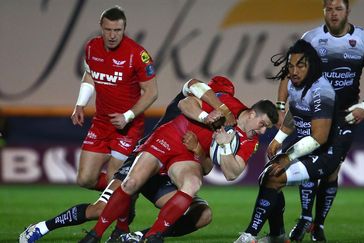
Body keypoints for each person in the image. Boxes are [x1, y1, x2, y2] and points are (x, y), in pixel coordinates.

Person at [19, 77, 237, 243]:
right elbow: (193, 83)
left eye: (227, 101)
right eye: (219, 98)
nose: (221, 104)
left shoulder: (218, 129)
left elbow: (206, 168)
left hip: (166, 176)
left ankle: (137, 236)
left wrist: (198, 148)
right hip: (144, 159)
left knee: (201, 214)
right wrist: (218, 108)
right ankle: (42, 227)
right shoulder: (191, 101)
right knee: (101, 210)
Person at [79, 81, 279, 242]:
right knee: (130, 183)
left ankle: (152, 236)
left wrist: (224, 147)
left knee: (193, 184)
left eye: (266, 128)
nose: (262, 131)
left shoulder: (251, 141)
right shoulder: (226, 103)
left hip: (188, 155)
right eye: (262, 124)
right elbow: (185, 103)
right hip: (172, 135)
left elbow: (231, 173)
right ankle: (95, 234)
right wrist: (207, 116)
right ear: (252, 113)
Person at [263, 1, 364, 242]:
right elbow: (290, 73)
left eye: (338, 8)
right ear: (323, 11)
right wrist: (280, 107)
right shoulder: (311, 38)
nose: (333, 13)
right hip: (313, 113)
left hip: (344, 115)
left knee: (330, 171)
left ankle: (317, 224)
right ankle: (306, 218)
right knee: (308, 164)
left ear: (347, 11)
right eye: (329, 8)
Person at [234, 39, 346, 243]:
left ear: (311, 65)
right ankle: (276, 235)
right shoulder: (296, 86)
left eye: (300, 66)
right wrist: (279, 138)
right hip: (308, 147)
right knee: (267, 177)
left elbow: (320, 137)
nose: (294, 71)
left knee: (273, 178)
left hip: (325, 153)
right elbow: (295, 113)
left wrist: (288, 155)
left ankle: (249, 236)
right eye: (291, 66)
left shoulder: (322, 91)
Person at [70, 6, 158, 191]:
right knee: (85, 179)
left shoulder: (137, 54)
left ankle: (123, 209)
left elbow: (151, 92)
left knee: (113, 177)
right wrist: (80, 105)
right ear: (101, 27)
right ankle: (128, 191)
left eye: (117, 30)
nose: (112, 35)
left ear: (124, 29)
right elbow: (90, 74)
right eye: (108, 30)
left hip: (128, 126)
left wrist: (127, 116)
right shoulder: (91, 47)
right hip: (101, 122)